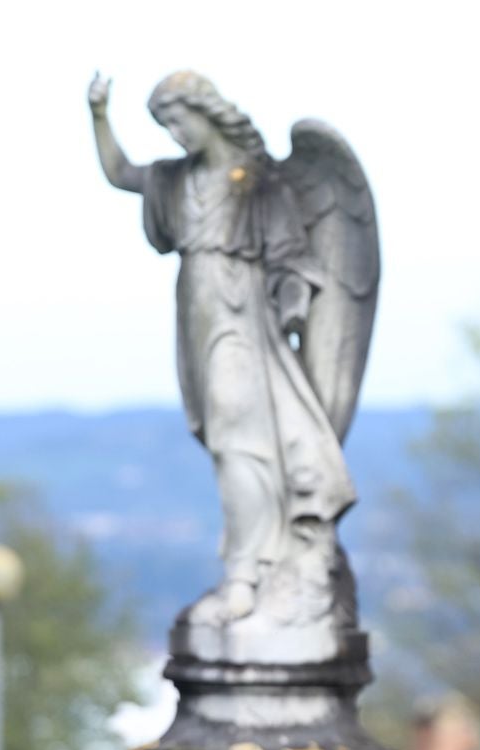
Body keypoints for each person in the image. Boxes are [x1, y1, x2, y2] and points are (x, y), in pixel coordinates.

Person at [87, 70, 359, 627]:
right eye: (164, 126)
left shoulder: (260, 185)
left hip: (243, 322)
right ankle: (251, 565)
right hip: (197, 319)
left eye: (179, 120)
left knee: (243, 441)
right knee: (225, 442)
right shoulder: (174, 179)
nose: (175, 134)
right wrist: (99, 117)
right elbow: (120, 174)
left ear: (206, 113)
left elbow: (292, 259)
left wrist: (290, 306)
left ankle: (248, 573)